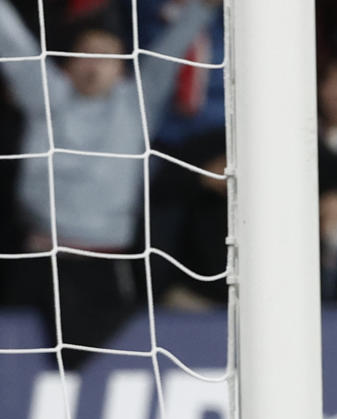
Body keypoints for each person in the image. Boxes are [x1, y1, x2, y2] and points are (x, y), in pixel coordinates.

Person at [0, 0, 214, 361]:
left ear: (121, 66)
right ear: (68, 63)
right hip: (36, 259)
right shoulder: (49, 96)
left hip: (103, 268)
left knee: (97, 364)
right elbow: (15, 45)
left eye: (105, 55)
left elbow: (171, 47)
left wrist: (203, 8)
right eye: (86, 54)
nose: (94, 65)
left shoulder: (135, 104)